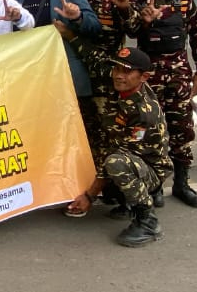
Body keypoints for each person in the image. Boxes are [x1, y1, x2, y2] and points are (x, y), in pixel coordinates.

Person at [63, 47, 172, 248]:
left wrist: (89, 195)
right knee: (95, 144)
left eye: (127, 71)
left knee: (115, 163)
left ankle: (147, 221)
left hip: (150, 169)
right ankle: (124, 201)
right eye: (116, 69)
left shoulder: (143, 112)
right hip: (131, 157)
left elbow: (123, 153)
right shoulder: (126, 89)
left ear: (144, 77)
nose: (119, 76)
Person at [129, 0, 197, 209]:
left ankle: (183, 184)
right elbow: (129, 31)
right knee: (150, 131)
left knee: (182, 130)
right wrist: (144, 20)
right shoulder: (134, 1)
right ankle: (155, 186)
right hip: (149, 78)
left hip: (179, 76)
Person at [64, 0, 141, 190]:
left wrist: (126, 9)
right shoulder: (72, 1)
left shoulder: (113, 0)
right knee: (87, 134)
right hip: (78, 77)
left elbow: (134, 30)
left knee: (110, 134)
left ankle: (116, 188)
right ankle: (91, 184)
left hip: (106, 81)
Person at [14, 0, 101, 106]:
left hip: (65, 71)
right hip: (31, 75)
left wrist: (77, 17)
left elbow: (95, 27)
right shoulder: (16, 0)